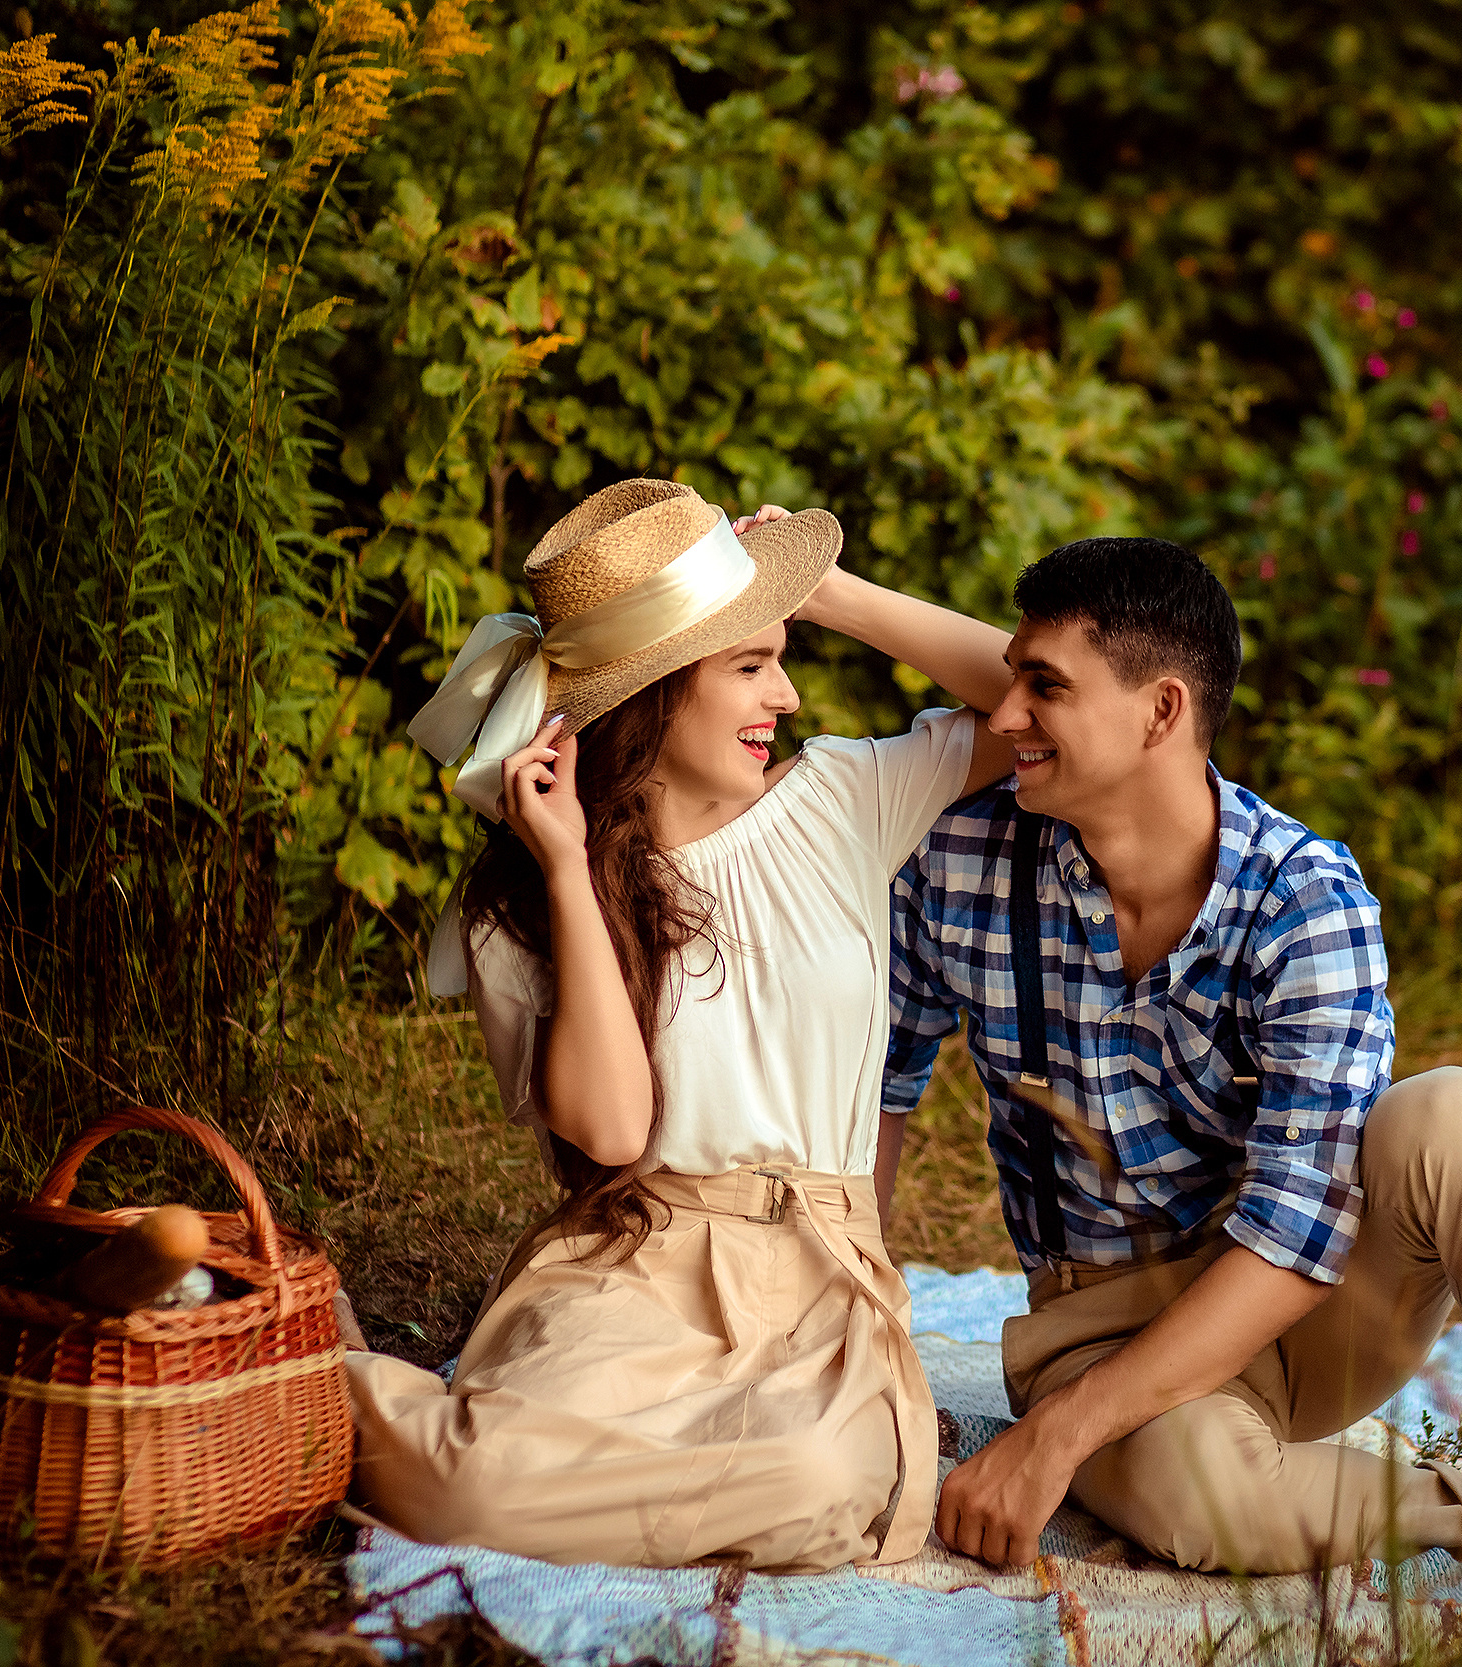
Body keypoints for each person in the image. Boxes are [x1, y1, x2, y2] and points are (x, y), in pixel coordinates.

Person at [884, 536, 1462, 1575]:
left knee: (1451, 1112)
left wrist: (1052, 1437)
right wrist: (872, 1327)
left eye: (1041, 686)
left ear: (1162, 710)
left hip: (1297, 1304)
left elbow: (1293, 1238)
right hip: (1089, 1317)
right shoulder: (957, 858)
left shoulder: (1302, 898)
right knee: (1202, 1501)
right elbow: (883, 1093)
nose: (998, 717)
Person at [346, 479, 1018, 1571]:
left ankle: (484, 1457)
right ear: (653, 697)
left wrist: (832, 593)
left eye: (781, 656)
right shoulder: (521, 908)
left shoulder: (844, 800)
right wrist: (567, 870)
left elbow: (1043, 695)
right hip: (636, 1260)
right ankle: (307, 1369)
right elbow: (611, 1134)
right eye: (750, 665)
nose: (789, 697)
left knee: (828, 1479)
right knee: (468, 1479)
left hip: (815, 1275)